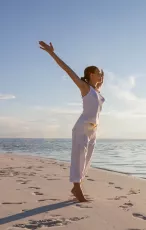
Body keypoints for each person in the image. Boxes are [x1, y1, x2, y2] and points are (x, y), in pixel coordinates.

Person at [39, 41, 105, 202]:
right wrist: (51, 53)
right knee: (79, 157)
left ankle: (78, 185)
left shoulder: (97, 90)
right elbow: (68, 70)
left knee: (87, 160)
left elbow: (99, 90)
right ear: (90, 74)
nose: (100, 75)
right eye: (98, 73)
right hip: (83, 127)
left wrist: (101, 81)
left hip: (93, 129)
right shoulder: (85, 87)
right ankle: (77, 187)